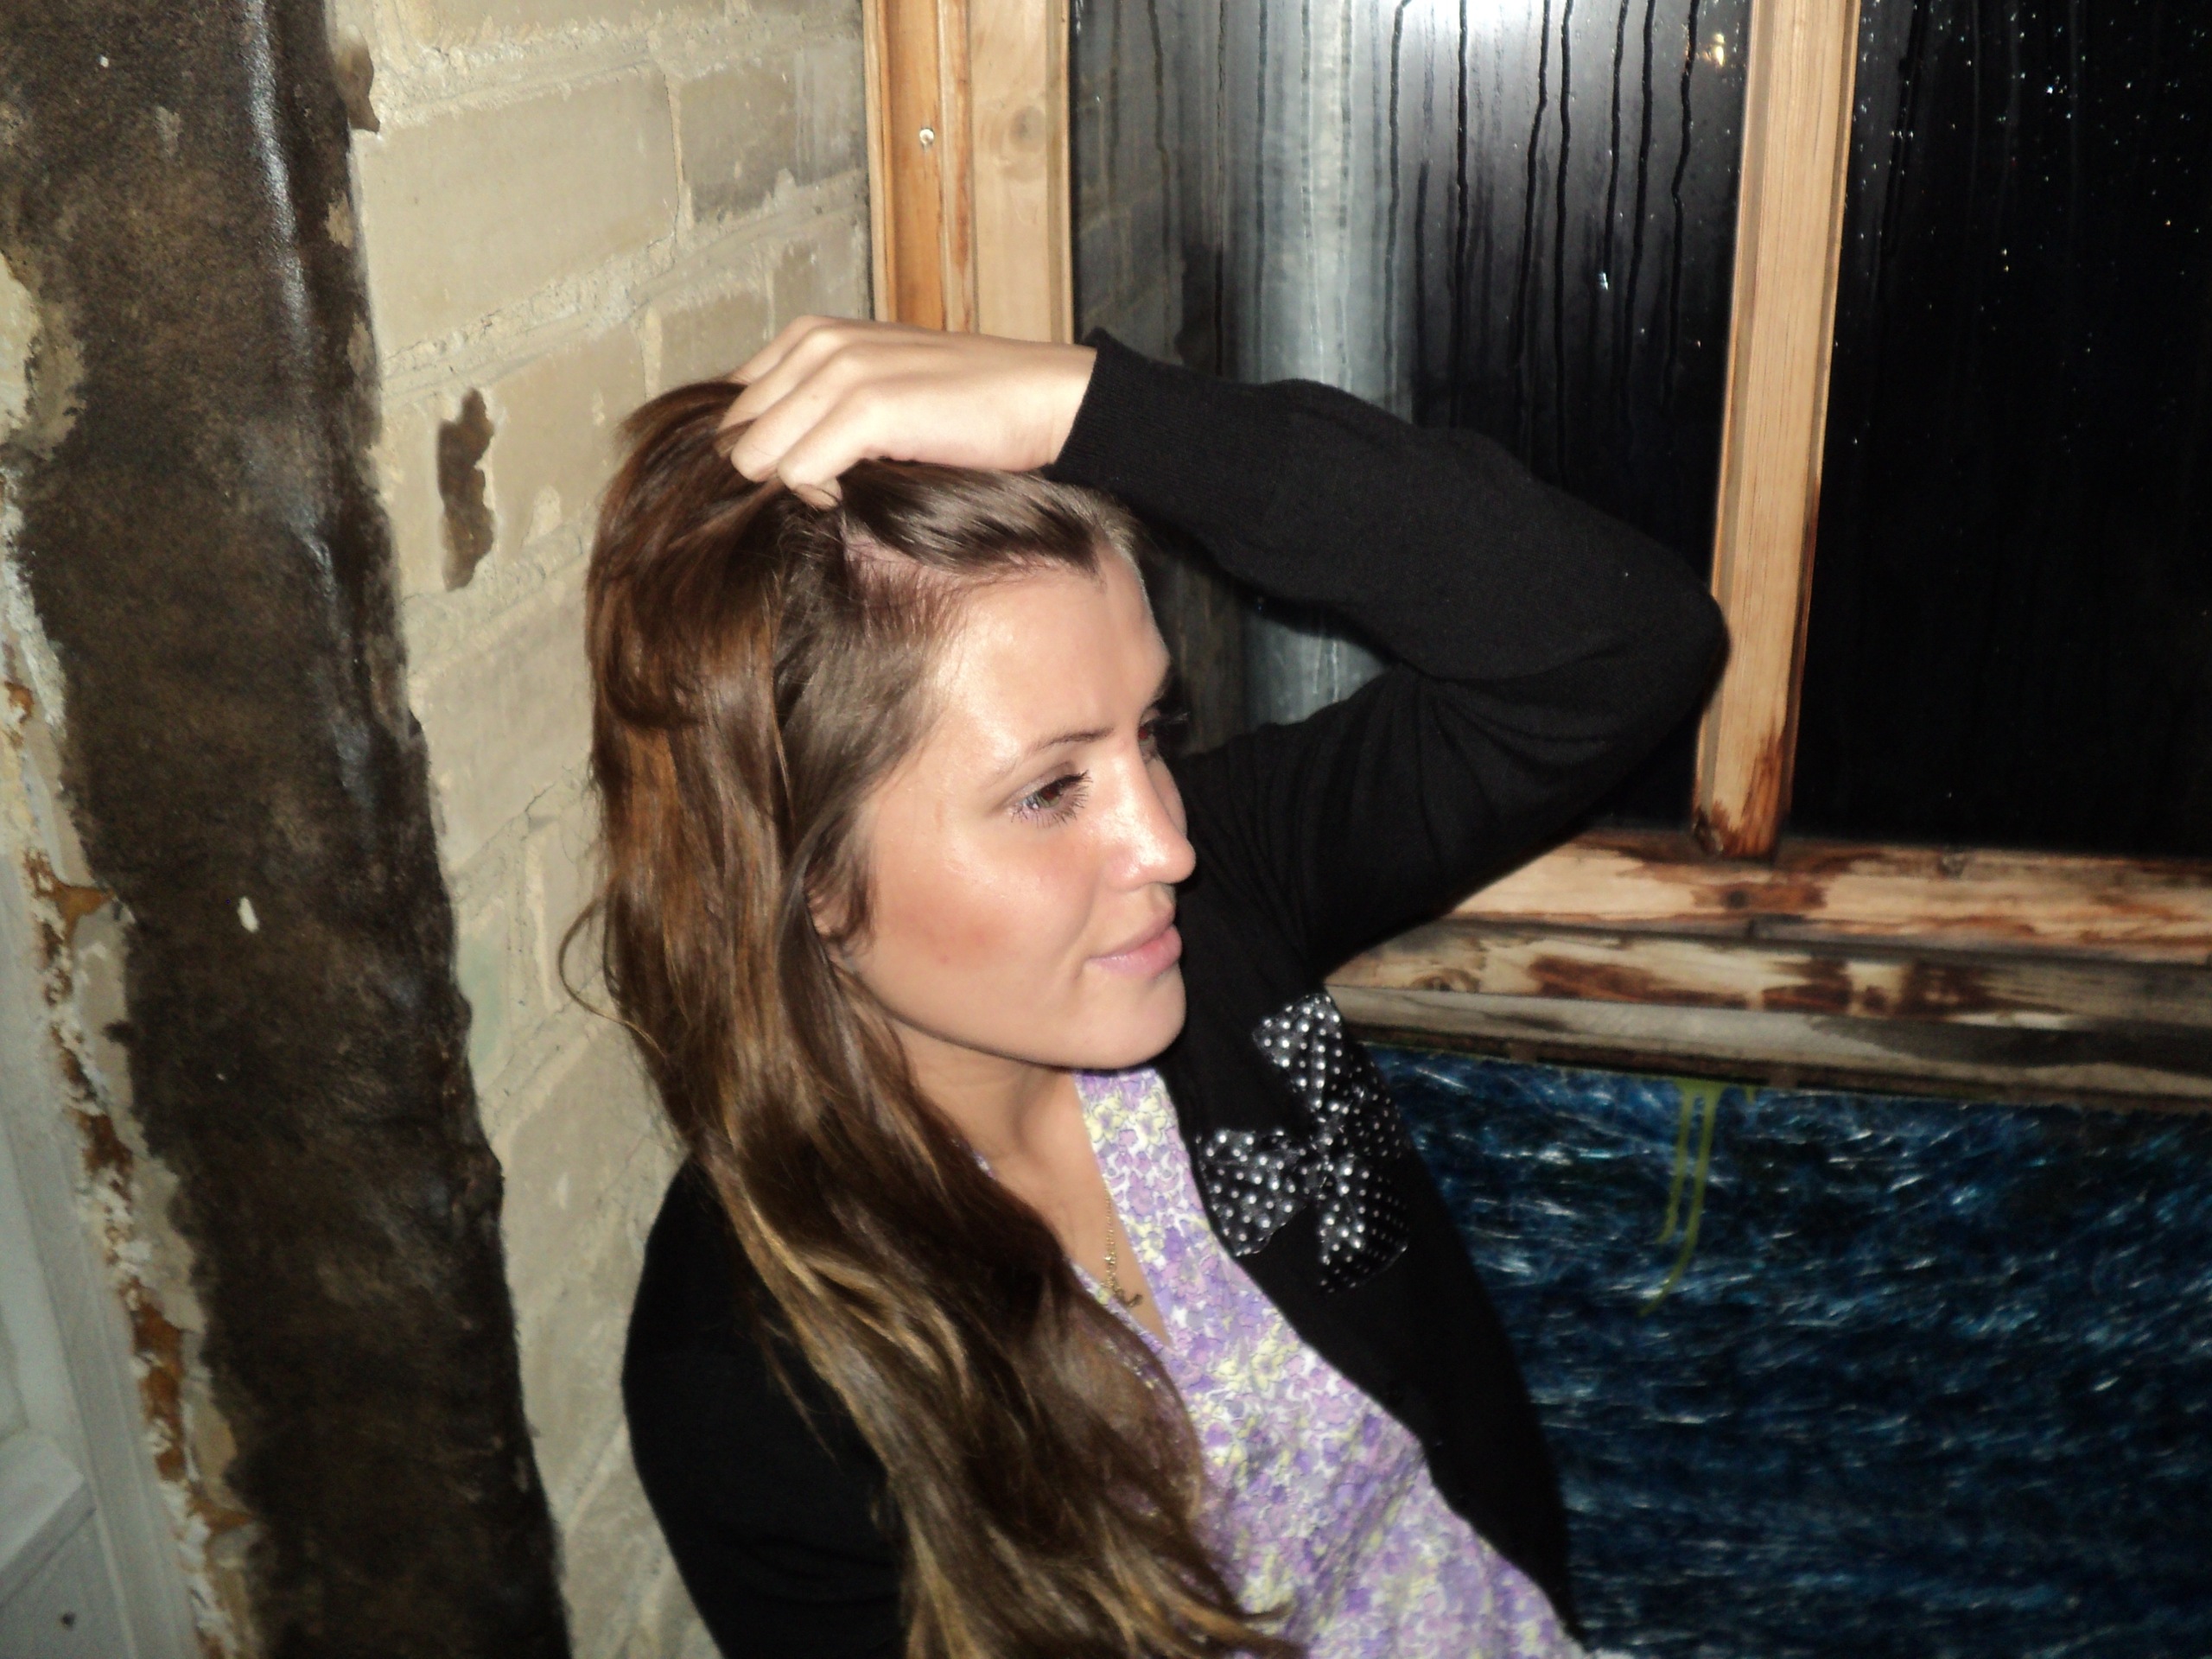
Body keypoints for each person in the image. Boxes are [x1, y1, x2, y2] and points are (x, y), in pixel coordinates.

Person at [592, 319, 1724, 1659]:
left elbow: (1622, 646)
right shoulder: (754, 1376)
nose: (1166, 845)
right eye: (1051, 789)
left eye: (1153, 735)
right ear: (807, 880)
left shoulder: (1218, 903)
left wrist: (1101, 411)